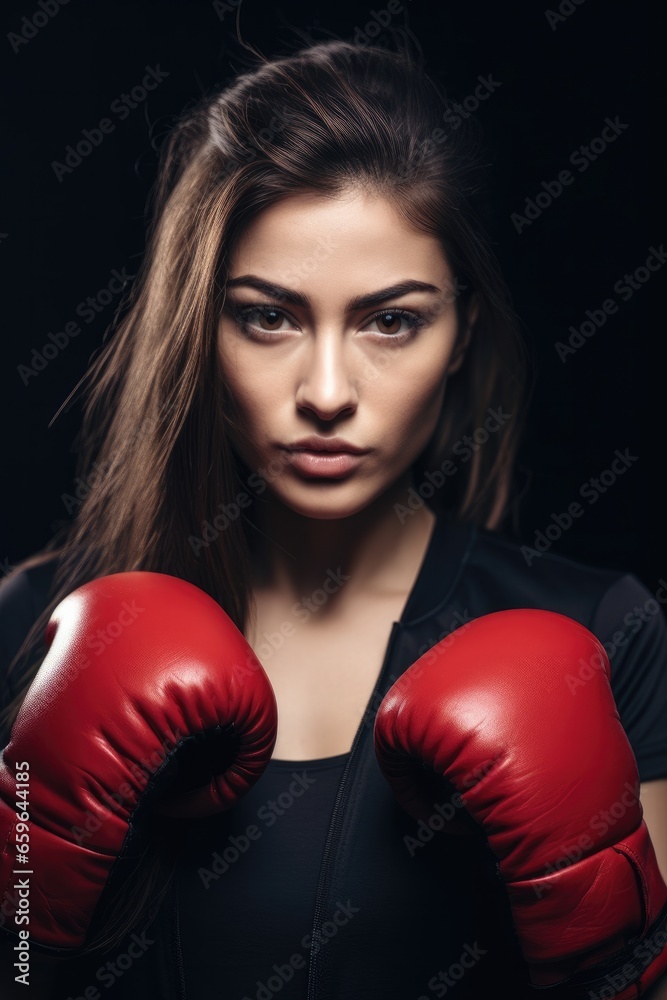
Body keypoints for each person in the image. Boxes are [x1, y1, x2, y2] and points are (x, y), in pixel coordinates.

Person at [1, 36, 666, 1000]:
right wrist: (23, 931)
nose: (324, 391)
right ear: (201, 325)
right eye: (267, 316)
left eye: (389, 320)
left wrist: (613, 959)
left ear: (460, 330)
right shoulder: (34, 625)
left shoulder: (606, 637)